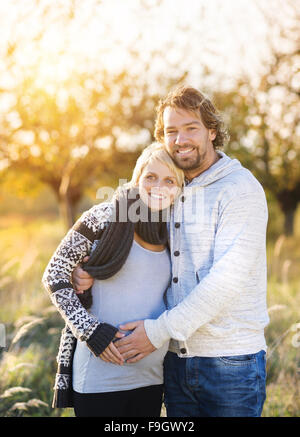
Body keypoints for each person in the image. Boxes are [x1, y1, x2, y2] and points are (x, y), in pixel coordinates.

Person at [73, 86, 269, 417]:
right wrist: (89, 269)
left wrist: (157, 331)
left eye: (191, 128)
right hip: (174, 361)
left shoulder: (240, 189)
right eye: (170, 131)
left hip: (229, 362)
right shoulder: (167, 191)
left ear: (212, 130)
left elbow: (226, 280)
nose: (180, 140)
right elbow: (136, 248)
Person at [42, 142, 184, 417]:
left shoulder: (175, 229)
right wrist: (91, 331)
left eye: (170, 180)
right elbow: (55, 273)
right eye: (151, 177)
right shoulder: (103, 218)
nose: (159, 186)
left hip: (152, 379)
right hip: (100, 379)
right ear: (137, 178)